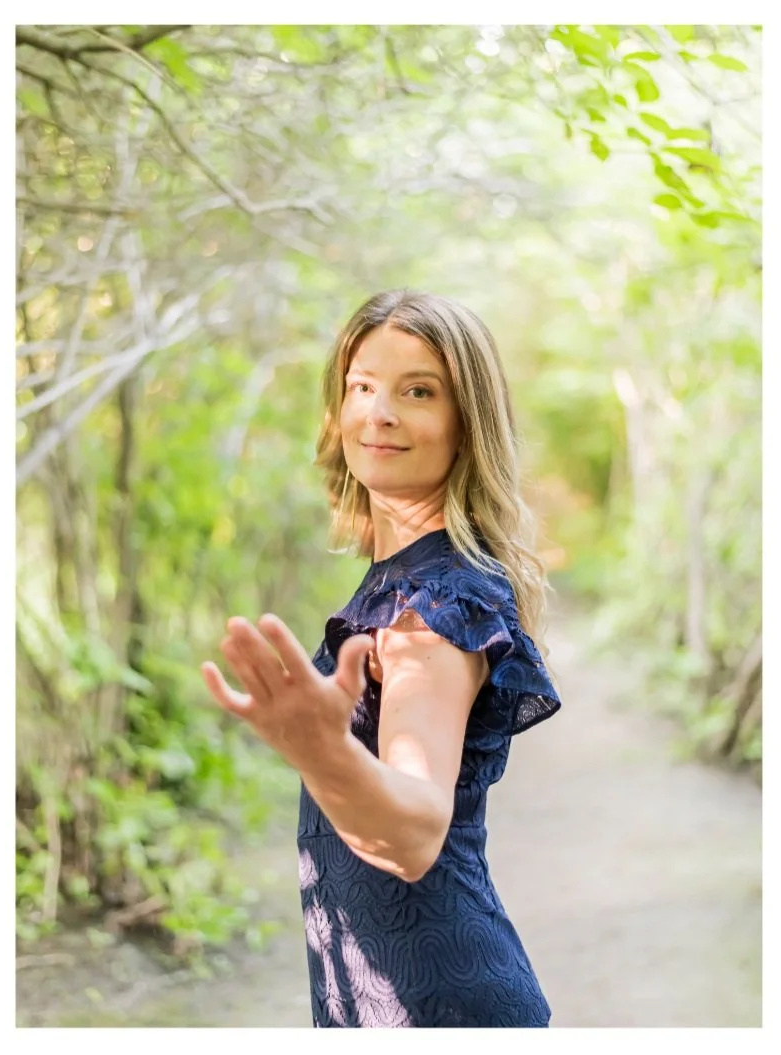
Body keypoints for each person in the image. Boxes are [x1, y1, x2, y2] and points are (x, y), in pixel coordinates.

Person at [201, 289, 562, 1028]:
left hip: (437, 1008)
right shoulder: (401, 577)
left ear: (468, 425)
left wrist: (316, 744)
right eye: (361, 386)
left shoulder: (434, 604)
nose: (379, 412)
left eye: (417, 391)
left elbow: (412, 832)